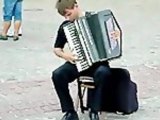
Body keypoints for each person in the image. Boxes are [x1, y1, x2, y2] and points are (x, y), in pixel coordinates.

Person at [51, 0, 120, 120]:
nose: (67, 18)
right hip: (78, 63)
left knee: (102, 73)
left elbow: (113, 39)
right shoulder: (65, 26)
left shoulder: (97, 19)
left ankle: (94, 111)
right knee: (57, 75)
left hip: (99, 64)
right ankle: (70, 112)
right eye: (64, 16)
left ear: (76, 6)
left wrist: (116, 35)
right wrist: (66, 56)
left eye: (69, 14)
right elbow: (57, 49)